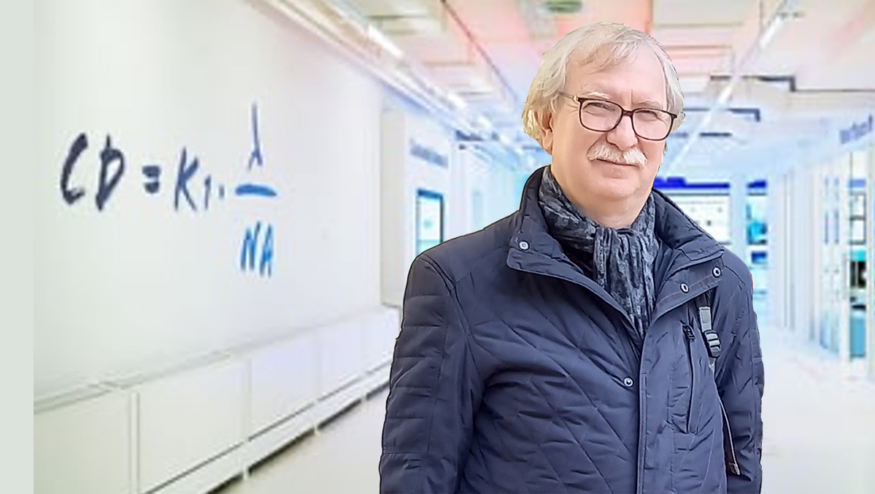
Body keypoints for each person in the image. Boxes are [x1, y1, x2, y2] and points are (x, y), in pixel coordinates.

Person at [379, 22, 764, 494]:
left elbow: (739, 459)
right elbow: (418, 474)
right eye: (598, 106)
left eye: (647, 113)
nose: (625, 136)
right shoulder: (457, 283)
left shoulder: (719, 282)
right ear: (546, 123)